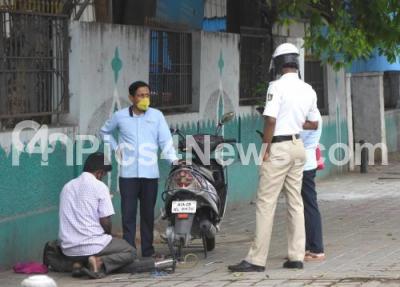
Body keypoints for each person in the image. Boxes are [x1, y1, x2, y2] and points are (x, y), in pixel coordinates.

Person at [228, 42, 320, 272]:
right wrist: (295, 123)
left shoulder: (275, 87)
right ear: (296, 62)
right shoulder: (308, 89)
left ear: (278, 64)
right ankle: (296, 256)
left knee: (266, 203)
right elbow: (314, 122)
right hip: (298, 146)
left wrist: (266, 146)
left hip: (278, 147)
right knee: (295, 202)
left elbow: (269, 120)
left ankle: (256, 259)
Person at [100, 81, 178, 257]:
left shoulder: (156, 116)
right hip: (127, 174)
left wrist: (173, 160)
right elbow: (104, 132)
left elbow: (165, 141)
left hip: (150, 174)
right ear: (131, 98)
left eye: (147, 95)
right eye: (141, 95)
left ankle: (148, 251)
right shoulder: (120, 116)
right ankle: (129, 252)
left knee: (147, 214)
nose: (145, 98)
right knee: (128, 214)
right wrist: (115, 147)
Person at [58, 152, 136, 279]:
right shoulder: (100, 187)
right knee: (130, 251)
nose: (103, 177)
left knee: (92, 246)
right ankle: (99, 262)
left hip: (68, 249)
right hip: (92, 245)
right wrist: (108, 235)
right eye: (104, 175)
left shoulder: (67, 187)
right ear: (99, 172)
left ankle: (78, 263)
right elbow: (105, 221)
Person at [300, 112, 325, 261]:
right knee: (305, 205)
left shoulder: (310, 118)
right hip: (307, 163)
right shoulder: (314, 115)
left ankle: (316, 248)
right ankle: (308, 247)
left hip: (303, 164)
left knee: (308, 205)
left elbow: (297, 139)